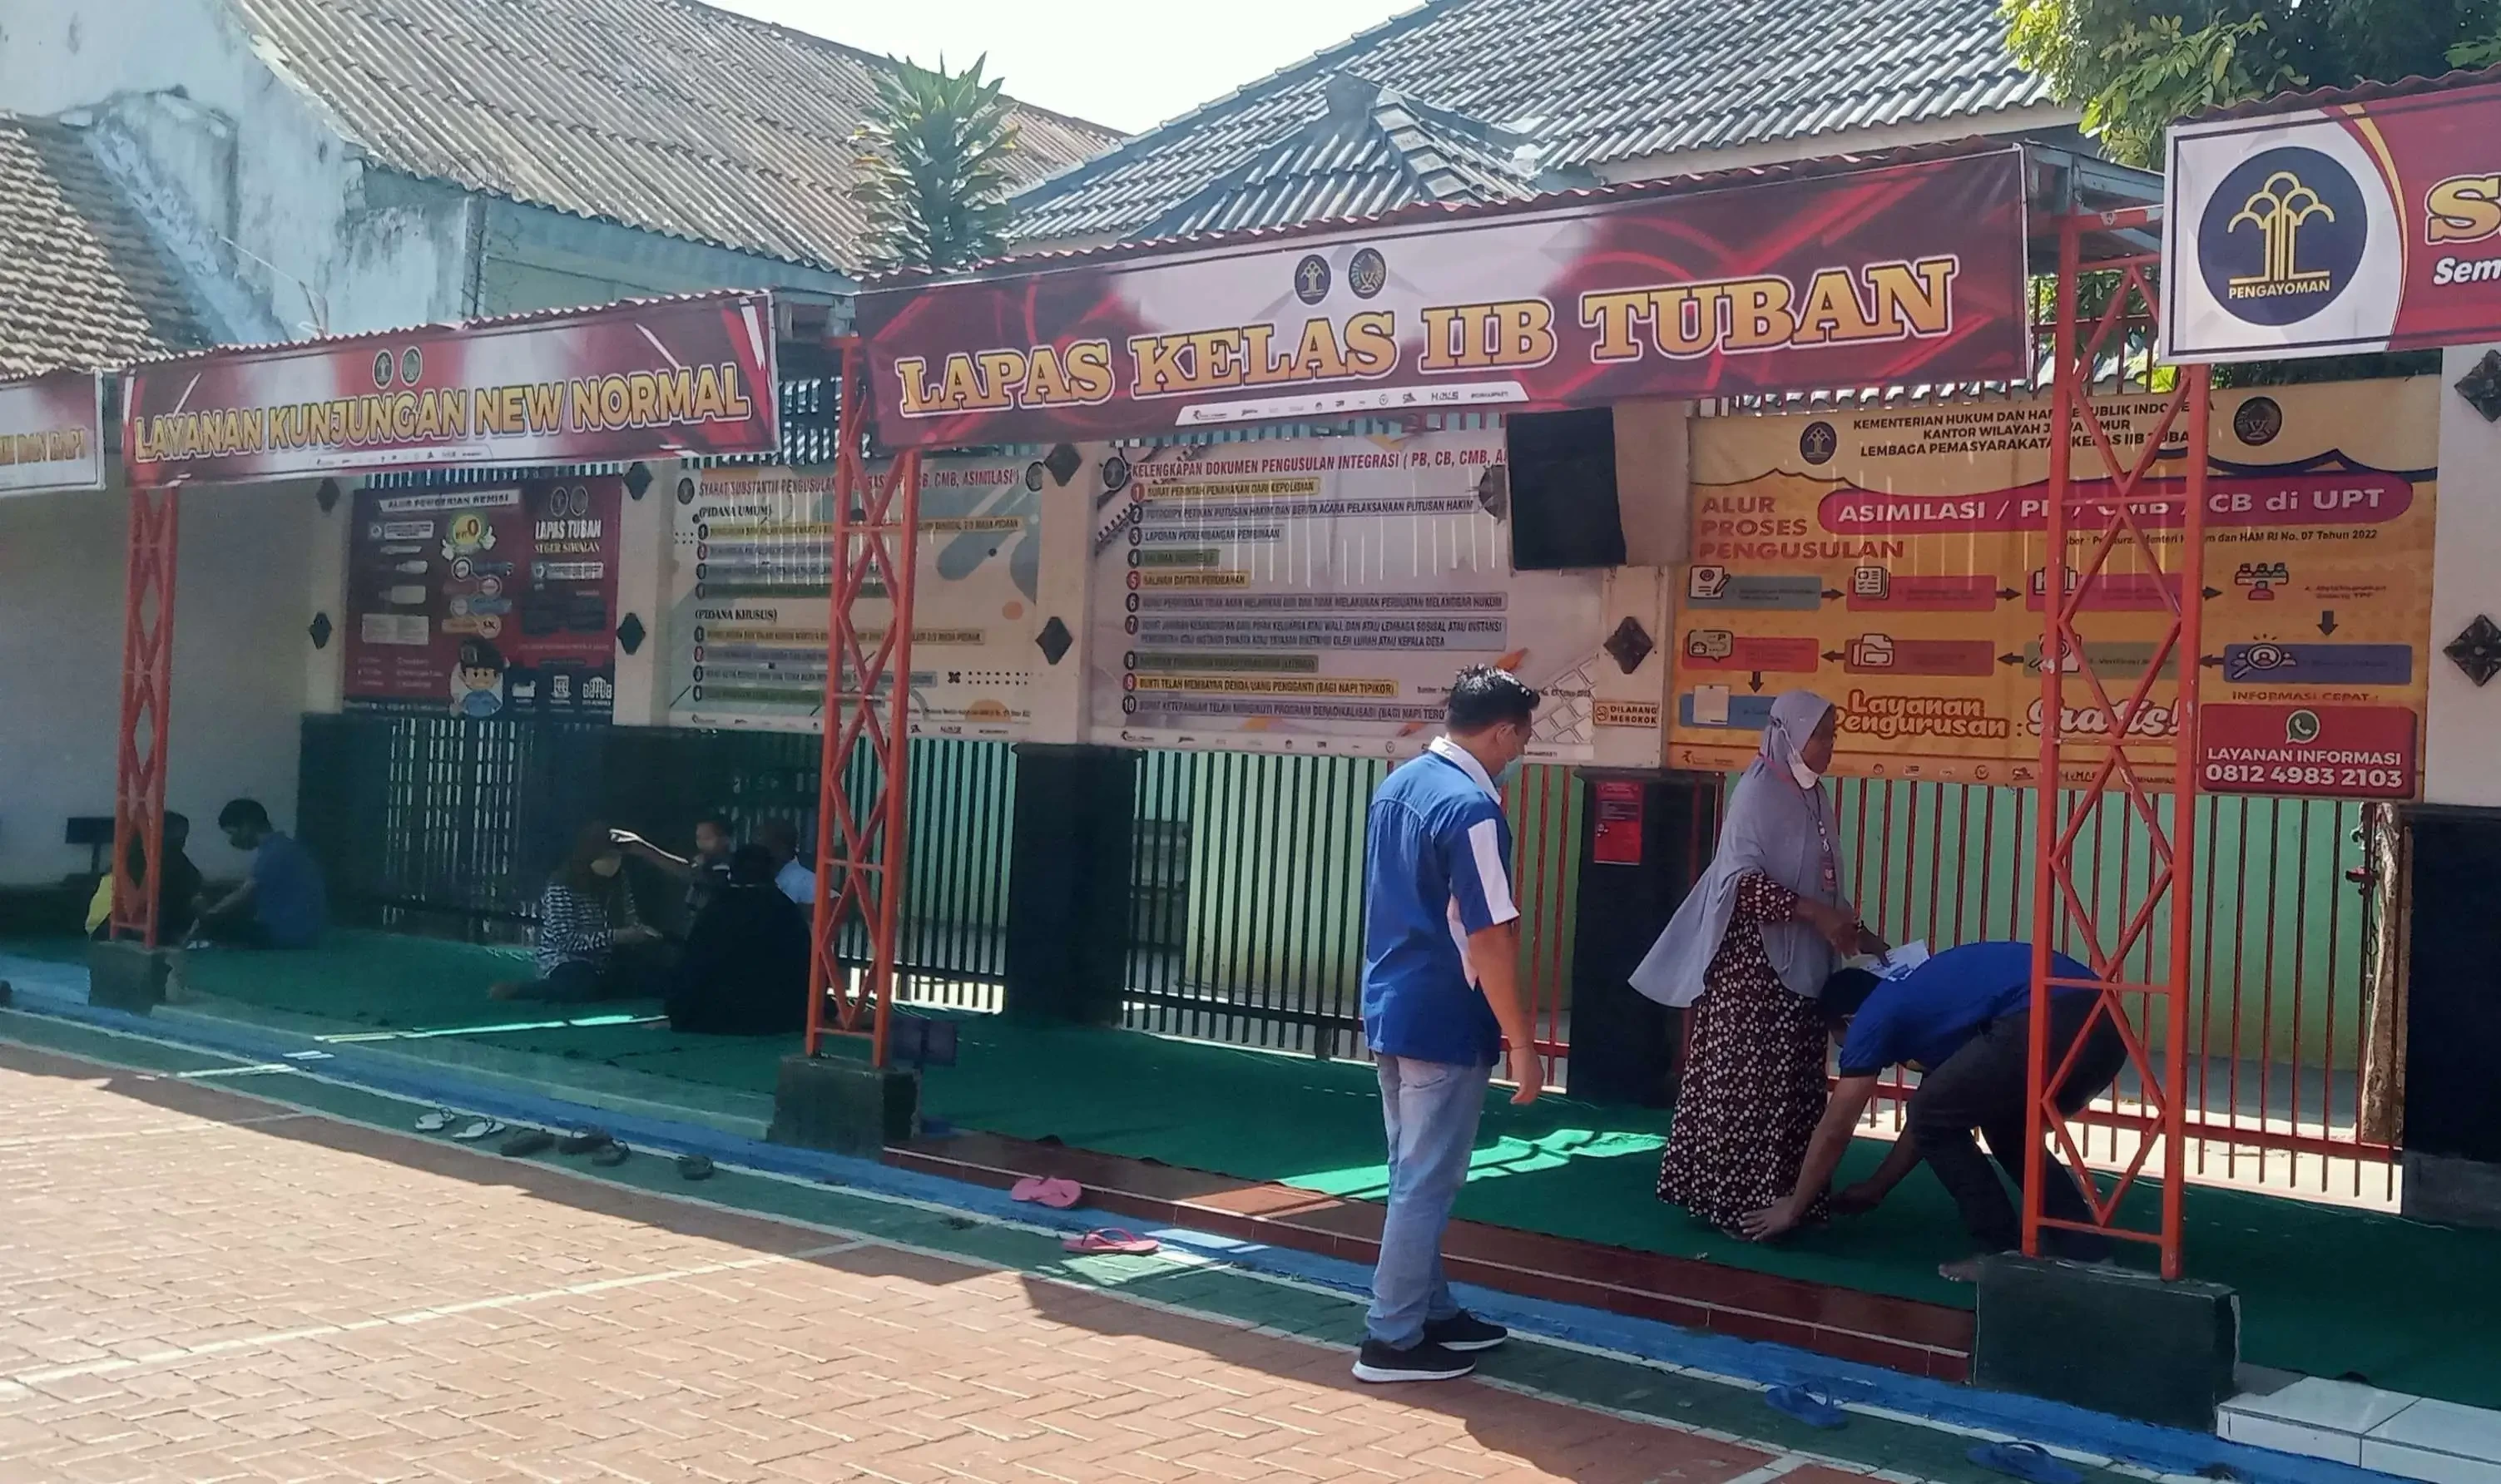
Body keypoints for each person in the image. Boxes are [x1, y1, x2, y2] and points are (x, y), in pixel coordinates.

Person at [1350, 665, 1545, 1386]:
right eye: (1522, 737)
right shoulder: (1473, 808)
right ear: (1501, 730)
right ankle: (1391, 1337)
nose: (1522, 751)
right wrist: (1522, 1043)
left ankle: (1429, 1309)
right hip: (1443, 1013)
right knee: (1426, 1182)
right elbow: (1491, 935)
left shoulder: (1398, 786)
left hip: (1392, 1003)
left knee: (1412, 1174)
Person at [1628, 690, 1882, 1234]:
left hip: (1805, 962)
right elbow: (1739, 884)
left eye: (1833, 734)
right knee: (1746, 1087)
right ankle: (1730, 1203)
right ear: (1789, 735)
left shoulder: (1813, 796)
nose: (1831, 746)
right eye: (1822, 735)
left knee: (1792, 1085)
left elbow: (1824, 878)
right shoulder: (1758, 794)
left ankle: (1793, 1198)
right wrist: (1813, 912)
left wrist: (1849, 928)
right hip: (1752, 967)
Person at [1737, 942, 2128, 1281]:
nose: (1847, 1051)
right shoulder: (1931, 1010)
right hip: (2104, 1025)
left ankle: (2000, 1252)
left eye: (1840, 1041)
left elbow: (1838, 1125)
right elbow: (1928, 1126)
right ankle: (2086, 1252)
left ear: (1848, 1021)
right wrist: (1877, 1188)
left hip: (2047, 1013)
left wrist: (1792, 1207)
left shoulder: (1875, 1016)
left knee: (1937, 1111)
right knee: (2006, 1129)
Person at [492, 824, 670, 1002]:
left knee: (655, 978)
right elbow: (566, 940)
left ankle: (608, 985)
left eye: (616, 855)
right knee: (580, 987)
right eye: (606, 855)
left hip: (608, 959)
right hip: (568, 960)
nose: (612, 861)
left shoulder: (618, 882)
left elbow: (629, 917)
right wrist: (615, 936)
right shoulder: (561, 885)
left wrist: (641, 933)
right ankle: (524, 991)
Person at [665, 845, 813, 1034]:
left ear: (733, 872)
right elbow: (804, 965)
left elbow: (692, 965)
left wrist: (678, 1011)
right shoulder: (785, 909)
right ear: (771, 872)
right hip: (777, 1018)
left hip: (712, 1017)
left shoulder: (717, 908)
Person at [196, 799, 329, 949]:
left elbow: (244, 893)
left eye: (232, 833)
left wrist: (209, 915)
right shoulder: (284, 846)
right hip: (305, 929)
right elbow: (255, 879)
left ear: (247, 826)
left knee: (214, 927)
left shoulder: (273, 853)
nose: (232, 840)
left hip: (285, 933)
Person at [85, 813, 204, 944]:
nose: (182, 840)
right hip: (110, 928)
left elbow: (192, 884)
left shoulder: (171, 859)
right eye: (179, 835)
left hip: (109, 928)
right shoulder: (142, 860)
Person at [611, 818, 734, 924]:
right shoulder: (703, 863)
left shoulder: (729, 867)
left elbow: (693, 874)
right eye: (698, 838)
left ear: (726, 840)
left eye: (707, 838)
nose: (701, 843)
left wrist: (643, 848)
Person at [754, 819, 817, 908]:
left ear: (782, 849)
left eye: (762, 847)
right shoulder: (755, 879)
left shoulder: (808, 882)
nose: (756, 853)